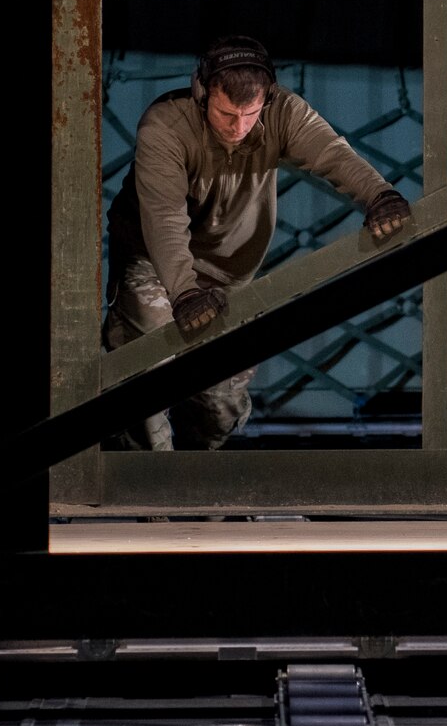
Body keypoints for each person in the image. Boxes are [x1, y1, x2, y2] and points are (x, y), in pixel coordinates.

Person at [105, 36, 412, 450]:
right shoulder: (166, 127)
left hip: (229, 270)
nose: (238, 127)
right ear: (202, 93)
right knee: (146, 370)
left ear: (266, 99)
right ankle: (151, 491)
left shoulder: (283, 112)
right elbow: (163, 219)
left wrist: (380, 195)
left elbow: (333, 154)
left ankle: (197, 485)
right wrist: (183, 292)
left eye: (249, 114)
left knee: (220, 402)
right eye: (225, 113)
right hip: (157, 265)